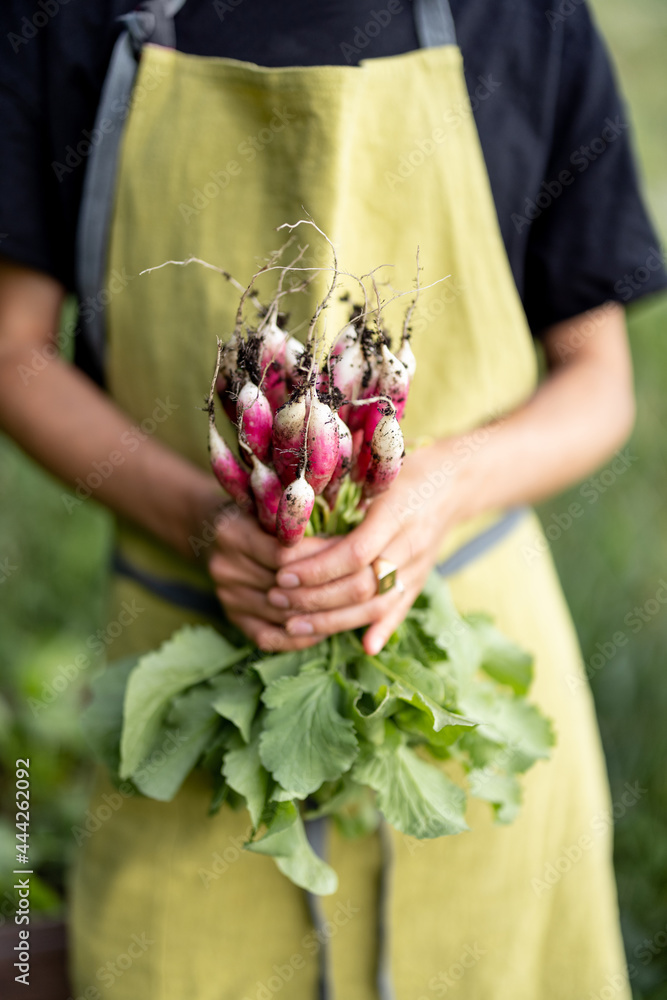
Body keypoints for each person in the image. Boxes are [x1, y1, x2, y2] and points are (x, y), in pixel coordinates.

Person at [0, 1, 665, 997]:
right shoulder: (68, 18)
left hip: (468, 666)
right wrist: (202, 515)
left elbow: (599, 375)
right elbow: (14, 352)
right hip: (186, 691)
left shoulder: (522, 15)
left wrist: (446, 483)